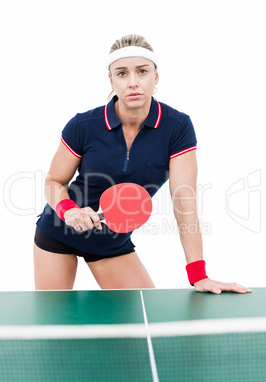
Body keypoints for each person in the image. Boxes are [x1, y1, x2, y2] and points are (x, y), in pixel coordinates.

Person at [34, 34, 251, 294]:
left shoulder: (177, 128)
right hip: (58, 233)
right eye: (122, 73)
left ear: (155, 76)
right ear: (111, 80)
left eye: (142, 71)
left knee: (142, 328)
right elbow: (54, 181)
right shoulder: (83, 125)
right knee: (54, 326)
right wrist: (69, 211)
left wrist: (198, 275)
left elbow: (184, 202)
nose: (133, 82)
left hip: (111, 243)